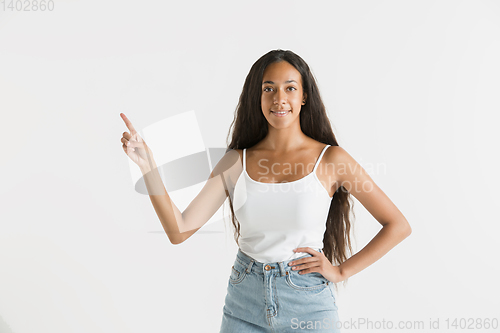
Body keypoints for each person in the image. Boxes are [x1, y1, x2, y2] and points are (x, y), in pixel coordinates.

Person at [120, 49, 412, 332]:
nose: (279, 99)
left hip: (307, 305)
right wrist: (148, 167)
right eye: (269, 89)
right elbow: (179, 230)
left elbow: (397, 225)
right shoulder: (235, 162)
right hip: (243, 304)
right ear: (257, 96)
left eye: (290, 88)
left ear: (304, 96)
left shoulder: (333, 160)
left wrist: (340, 271)